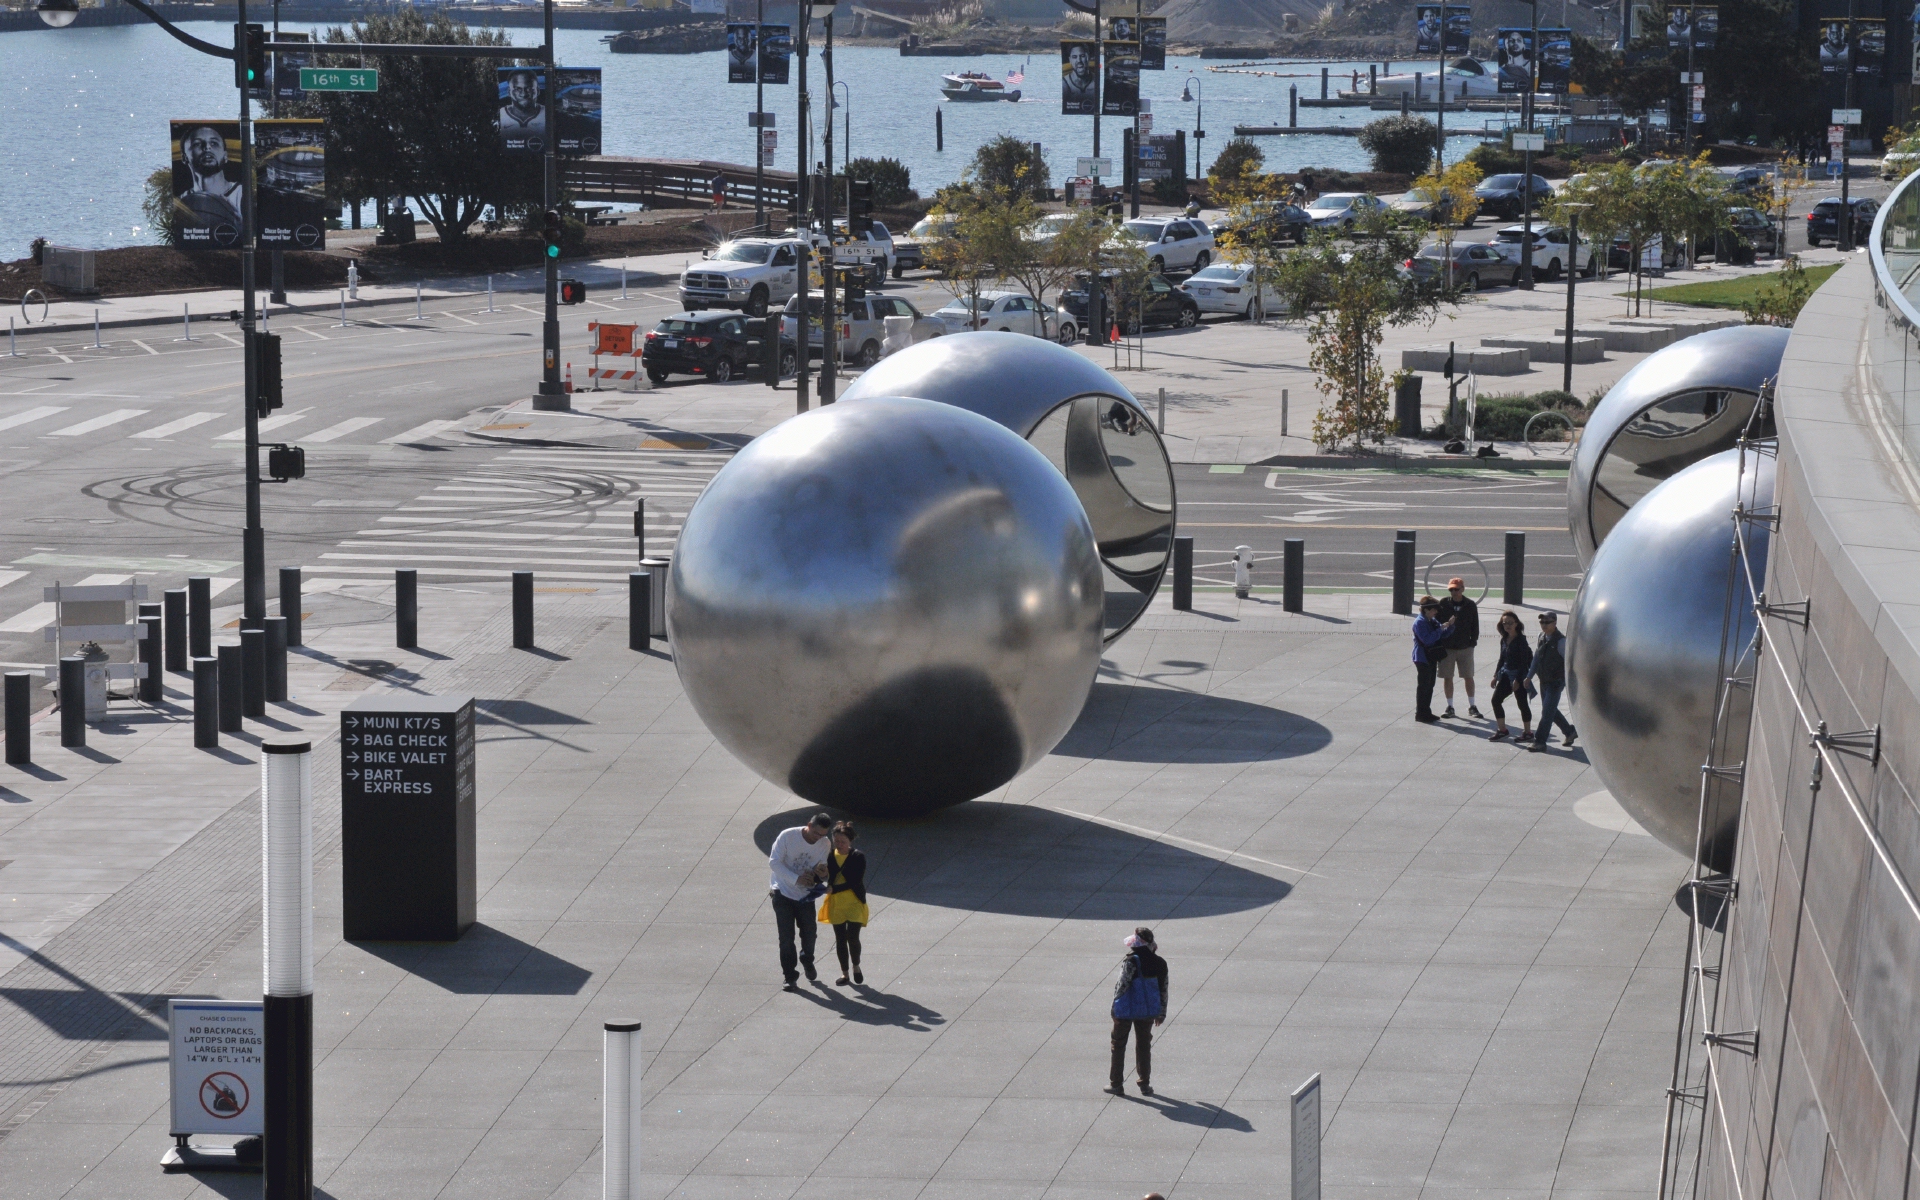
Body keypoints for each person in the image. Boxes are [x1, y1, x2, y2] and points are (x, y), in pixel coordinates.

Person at [769, 812, 834, 989]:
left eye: (823, 835)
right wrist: (795, 879)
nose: (819, 838)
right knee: (786, 938)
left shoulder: (825, 843)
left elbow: (820, 869)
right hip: (782, 891)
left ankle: (807, 959)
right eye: (816, 834)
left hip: (805, 895)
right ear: (809, 825)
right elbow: (774, 862)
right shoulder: (788, 836)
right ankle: (790, 976)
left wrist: (821, 875)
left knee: (809, 933)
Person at [1107, 928, 1168, 1096]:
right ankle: (1144, 1084)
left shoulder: (1131, 962)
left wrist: (1115, 1007)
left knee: (1118, 1044)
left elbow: (1122, 986)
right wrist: (1161, 1012)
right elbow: (1164, 988)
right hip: (1148, 1011)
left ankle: (1116, 1084)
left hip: (1126, 1011)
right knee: (1143, 1046)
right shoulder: (1160, 963)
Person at [817, 820, 869, 985]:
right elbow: (826, 877)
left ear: (850, 841)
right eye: (837, 841)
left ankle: (856, 966)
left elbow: (855, 881)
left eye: (843, 842)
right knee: (840, 938)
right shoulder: (830, 856)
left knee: (852, 937)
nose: (839, 845)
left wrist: (834, 889)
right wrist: (822, 875)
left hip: (854, 901)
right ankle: (845, 974)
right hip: (836, 903)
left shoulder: (858, 857)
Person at [1525, 611, 1577, 750]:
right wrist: (1529, 676)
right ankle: (1569, 731)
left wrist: (1569, 683)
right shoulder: (1541, 637)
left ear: (1555, 623)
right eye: (1542, 622)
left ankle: (1540, 741)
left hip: (1556, 682)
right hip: (1544, 681)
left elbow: (1570, 664)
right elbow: (1536, 657)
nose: (1544, 625)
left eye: (1547, 622)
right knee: (1550, 710)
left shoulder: (1561, 642)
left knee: (1547, 713)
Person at [178, 125, 242, 231]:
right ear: (184, 158)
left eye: (214, 143)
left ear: (226, 156)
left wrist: (241, 228)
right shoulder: (182, 202)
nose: (207, 147)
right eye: (197, 144)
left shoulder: (242, 195)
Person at [1435, 577, 1481, 719]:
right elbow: (1437, 623)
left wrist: (1472, 641)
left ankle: (1472, 706)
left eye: (1456, 589)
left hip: (1465, 647)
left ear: (1462, 589)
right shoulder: (1443, 604)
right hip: (1447, 647)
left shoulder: (1470, 605)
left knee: (1468, 676)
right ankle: (1450, 706)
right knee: (1447, 676)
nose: (1454, 592)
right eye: (1451, 589)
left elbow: (1475, 625)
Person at [1486, 611, 1534, 743]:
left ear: (1516, 624)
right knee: (1496, 700)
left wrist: (1518, 680)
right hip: (1506, 674)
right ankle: (1502, 730)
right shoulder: (1504, 639)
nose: (1507, 625)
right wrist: (1495, 676)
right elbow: (1502, 659)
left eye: (1510, 623)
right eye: (1504, 623)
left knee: (1522, 703)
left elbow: (1524, 663)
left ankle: (1528, 732)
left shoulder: (1521, 641)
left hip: (1519, 675)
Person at [1411, 596, 1452, 724]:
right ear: (1427, 610)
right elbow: (1427, 640)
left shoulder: (1431, 620)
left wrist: (1450, 626)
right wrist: (1440, 629)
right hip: (1422, 657)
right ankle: (1420, 713)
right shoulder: (1420, 622)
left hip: (1431, 656)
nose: (1436, 612)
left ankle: (1426, 711)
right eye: (1434, 610)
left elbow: (1442, 634)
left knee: (1430, 685)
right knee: (1423, 686)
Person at [499, 69, 547, 147]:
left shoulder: (548, 113)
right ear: (509, 92)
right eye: (518, 89)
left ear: (537, 91)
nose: (523, 94)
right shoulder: (500, 115)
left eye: (529, 89)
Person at [1063, 42, 1099, 111]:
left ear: (1088, 57)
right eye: (1074, 57)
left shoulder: (1096, 81)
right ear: (1070, 60)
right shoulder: (1065, 83)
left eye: (1082, 56)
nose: (1079, 60)